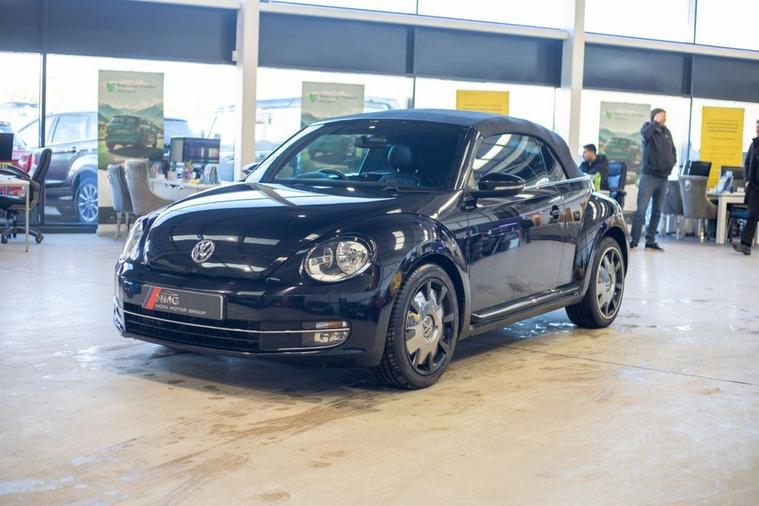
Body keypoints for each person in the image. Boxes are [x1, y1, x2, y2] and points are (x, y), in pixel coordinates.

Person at [630, 108, 676, 252]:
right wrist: (655, 122)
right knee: (641, 209)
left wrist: (672, 162)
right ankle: (634, 240)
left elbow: (673, 150)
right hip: (648, 176)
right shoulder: (647, 128)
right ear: (655, 117)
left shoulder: (667, 132)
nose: (665, 119)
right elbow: (645, 136)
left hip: (664, 177)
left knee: (657, 211)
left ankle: (650, 240)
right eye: (662, 116)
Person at [733, 119, 759, 255]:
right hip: (754, 186)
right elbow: (747, 163)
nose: (757, 130)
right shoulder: (754, 145)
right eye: (757, 127)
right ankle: (745, 245)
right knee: (752, 214)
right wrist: (747, 180)